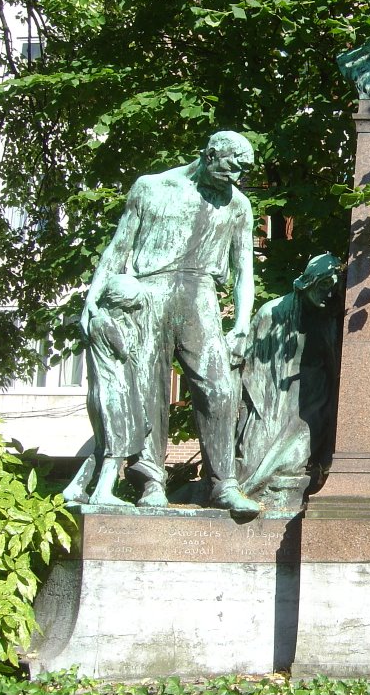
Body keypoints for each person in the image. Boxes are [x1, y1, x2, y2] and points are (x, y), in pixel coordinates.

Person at [79, 131, 260, 516]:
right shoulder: (151, 187)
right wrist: (93, 298)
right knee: (146, 388)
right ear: (210, 154)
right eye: (232, 166)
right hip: (149, 293)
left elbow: (245, 268)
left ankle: (224, 483)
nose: (237, 177)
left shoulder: (238, 205)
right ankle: (150, 482)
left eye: (243, 171)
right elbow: (120, 246)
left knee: (219, 389)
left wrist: (241, 324)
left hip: (201, 294)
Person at [236, 254, 343, 512]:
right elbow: (249, 373)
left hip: (313, 397)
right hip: (271, 398)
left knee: (297, 451)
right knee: (252, 455)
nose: (329, 293)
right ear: (308, 282)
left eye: (335, 287)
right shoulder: (271, 313)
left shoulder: (332, 319)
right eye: (325, 285)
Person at [63, 274, 148, 506]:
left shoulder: (93, 322)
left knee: (102, 447)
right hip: (115, 391)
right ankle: (103, 492)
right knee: (118, 444)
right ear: (122, 302)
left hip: (99, 393)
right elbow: (124, 351)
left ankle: (75, 487)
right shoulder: (107, 324)